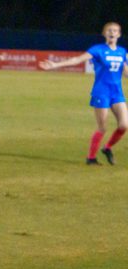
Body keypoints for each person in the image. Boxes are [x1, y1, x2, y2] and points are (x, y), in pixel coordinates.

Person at [40, 22, 128, 165]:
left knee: (124, 125)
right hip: (101, 93)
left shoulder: (122, 52)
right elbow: (77, 59)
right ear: (104, 33)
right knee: (102, 128)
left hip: (117, 93)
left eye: (115, 31)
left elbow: (125, 71)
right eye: (109, 30)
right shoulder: (97, 50)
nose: (112, 32)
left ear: (119, 34)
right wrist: (56, 65)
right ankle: (91, 158)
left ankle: (107, 148)